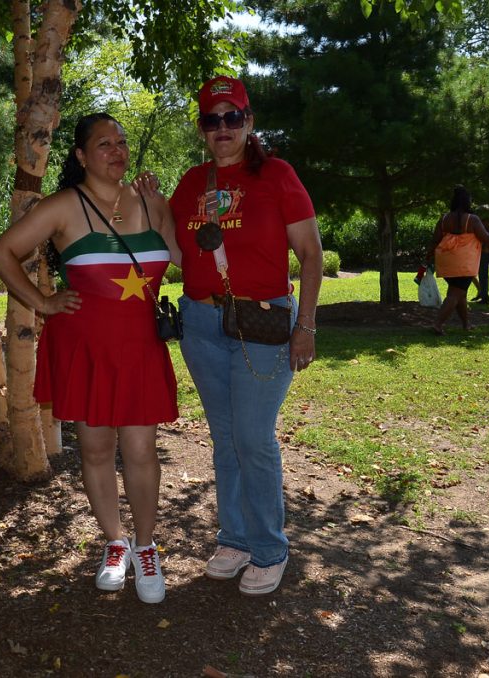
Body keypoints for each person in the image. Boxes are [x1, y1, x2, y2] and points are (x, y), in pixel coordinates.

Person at [0, 113, 179, 604]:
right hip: (87, 349)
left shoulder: (149, 200)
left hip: (139, 348)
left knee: (141, 451)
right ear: (81, 155)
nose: (117, 151)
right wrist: (43, 302)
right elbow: (2, 251)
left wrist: (167, 208)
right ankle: (115, 544)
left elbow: (179, 257)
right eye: (104, 144)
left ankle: (145, 547)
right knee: (95, 451)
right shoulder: (63, 206)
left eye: (122, 142)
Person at [166, 75, 323, 596]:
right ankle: (233, 538)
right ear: (202, 129)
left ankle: (269, 548)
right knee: (225, 437)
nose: (223, 127)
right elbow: (178, 252)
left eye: (232, 117)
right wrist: (149, 206)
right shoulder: (192, 183)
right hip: (202, 323)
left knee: (253, 438)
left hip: (263, 321)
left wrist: (306, 325)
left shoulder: (276, 175)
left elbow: (311, 254)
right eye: (212, 120)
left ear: (249, 122)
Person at [429, 187, 489, 334]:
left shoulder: (444, 219)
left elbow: (435, 240)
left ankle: (466, 324)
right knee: (454, 294)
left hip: (446, 261)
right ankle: (437, 324)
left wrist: (428, 255)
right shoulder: (472, 219)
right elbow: (486, 237)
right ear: (467, 202)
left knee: (460, 293)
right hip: (464, 263)